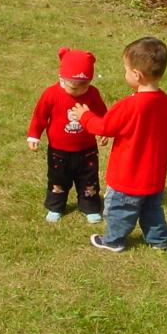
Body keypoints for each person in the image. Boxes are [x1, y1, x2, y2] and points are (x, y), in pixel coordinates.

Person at [71, 37, 167, 252]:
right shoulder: (164, 100)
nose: (125, 74)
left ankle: (113, 241)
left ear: (136, 75)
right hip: (154, 176)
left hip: (128, 176)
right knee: (152, 210)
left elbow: (104, 127)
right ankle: (158, 241)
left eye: (126, 70)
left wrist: (84, 116)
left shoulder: (129, 105)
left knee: (119, 210)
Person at [27, 48, 108, 223]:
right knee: (58, 179)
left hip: (87, 150)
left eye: (84, 86)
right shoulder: (51, 94)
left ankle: (90, 206)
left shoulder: (92, 94)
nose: (79, 91)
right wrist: (34, 135)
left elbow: (102, 113)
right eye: (74, 87)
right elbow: (39, 116)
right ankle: (56, 206)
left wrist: (104, 130)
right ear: (61, 78)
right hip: (58, 150)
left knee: (89, 179)